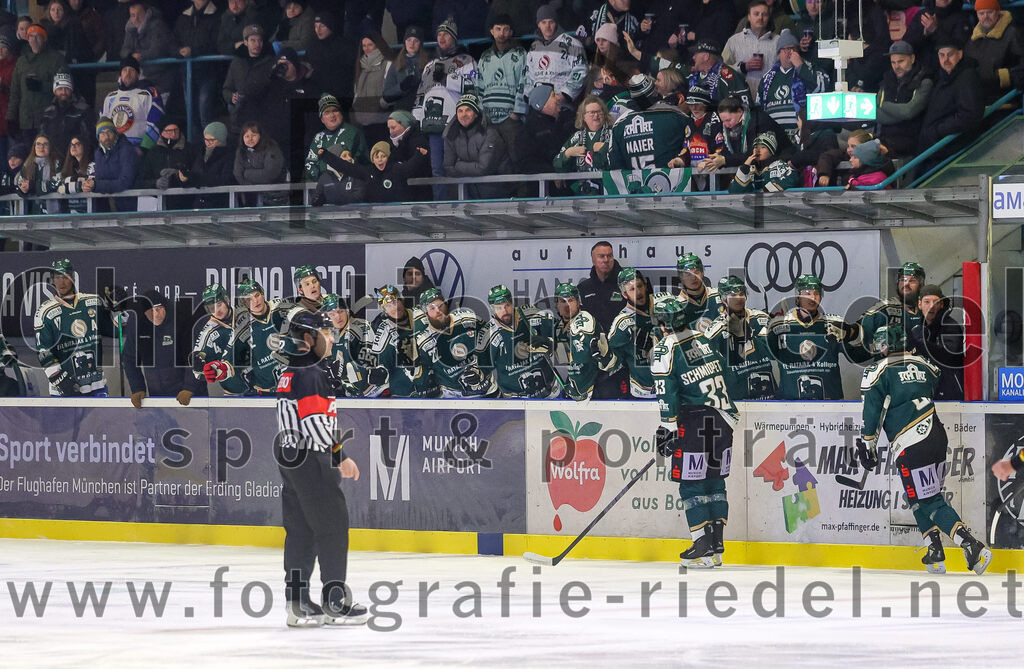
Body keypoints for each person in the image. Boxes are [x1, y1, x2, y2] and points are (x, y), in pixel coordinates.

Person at [858, 325, 990, 574]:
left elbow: (872, 412)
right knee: (918, 496)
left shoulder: (877, 371)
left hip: (911, 443)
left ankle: (971, 546)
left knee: (928, 500)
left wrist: (868, 445)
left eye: (880, 344)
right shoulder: (924, 364)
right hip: (936, 436)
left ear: (885, 344)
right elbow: (933, 377)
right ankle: (934, 548)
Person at [272, 307, 367, 628]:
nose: (331, 338)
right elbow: (316, 425)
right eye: (326, 333)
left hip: (290, 457)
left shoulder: (289, 371)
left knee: (300, 529)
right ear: (309, 338)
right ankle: (335, 601)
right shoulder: (312, 372)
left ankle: (296, 602)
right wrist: (341, 456)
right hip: (311, 458)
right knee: (332, 527)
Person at [651, 298, 737, 568]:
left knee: (691, 483)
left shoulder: (665, 348)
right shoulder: (703, 338)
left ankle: (701, 542)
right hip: (723, 419)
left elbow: (667, 392)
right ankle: (716, 544)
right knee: (714, 482)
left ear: (661, 322)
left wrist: (668, 427)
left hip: (695, 421)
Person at [34, 257, 124, 397]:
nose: (61, 282)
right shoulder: (45, 312)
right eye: (57, 277)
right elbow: (43, 351)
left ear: (73, 278)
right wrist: (60, 380)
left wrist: (119, 309)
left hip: (96, 386)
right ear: (52, 280)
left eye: (65, 277)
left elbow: (116, 329)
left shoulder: (93, 302)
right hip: (64, 389)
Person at [766, 273, 863, 400]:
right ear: (798, 296)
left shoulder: (833, 324)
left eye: (816, 293)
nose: (812, 298)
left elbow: (856, 355)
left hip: (831, 404)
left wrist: (856, 334)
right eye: (807, 293)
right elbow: (764, 353)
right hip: (789, 405)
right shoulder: (778, 325)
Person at [413, 18, 477, 198]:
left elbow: (472, 90)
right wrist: (417, 118)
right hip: (433, 125)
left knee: (456, 166)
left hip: (455, 124)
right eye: (439, 34)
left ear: (454, 38)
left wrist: (446, 79)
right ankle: (440, 206)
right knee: (437, 169)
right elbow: (421, 95)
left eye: (446, 34)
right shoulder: (429, 65)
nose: (441, 38)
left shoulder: (467, 61)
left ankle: (463, 203)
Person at [121, 289, 206, 408]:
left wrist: (189, 388)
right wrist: (137, 388)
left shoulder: (182, 323)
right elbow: (129, 359)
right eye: (151, 310)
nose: (155, 314)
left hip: (191, 399)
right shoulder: (139, 330)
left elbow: (195, 357)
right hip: (159, 400)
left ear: (165, 307)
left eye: (158, 309)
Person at [481, 284, 560, 398]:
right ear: (492, 309)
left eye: (507, 305)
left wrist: (550, 341)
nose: (504, 311)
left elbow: (561, 333)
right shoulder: (488, 334)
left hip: (550, 391)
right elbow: (483, 369)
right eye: (499, 308)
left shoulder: (532, 313)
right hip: (515, 398)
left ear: (512, 302)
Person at [704, 275, 777, 400]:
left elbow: (774, 353)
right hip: (737, 399)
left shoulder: (762, 318)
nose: (739, 299)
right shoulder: (714, 332)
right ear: (723, 299)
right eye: (733, 295)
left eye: (741, 293)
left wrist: (753, 337)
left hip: (768, 396)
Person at [415, 287, 495, 398]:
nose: (438, 311)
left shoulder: (469, 318)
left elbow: (494, 344)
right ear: (425, 313)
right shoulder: (423, 343)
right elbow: (423, 373)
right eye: (432, 308)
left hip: (487, 390)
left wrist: (481, 370)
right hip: (453, 398)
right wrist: (426, 384)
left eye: (440, 305)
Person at [609, 267, 671, 398]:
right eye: (632, 289)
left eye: (640, 286)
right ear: (624, 294)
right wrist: (603, 354)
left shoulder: (665, 301)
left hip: (673, 387)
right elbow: (610, 362)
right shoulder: (622, 323)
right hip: (644, 393)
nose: (638, 292)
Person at [366, 284, 437, 397]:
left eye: (395, 301)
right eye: (388, 306)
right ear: (384, 310)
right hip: (404, 392)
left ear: (401, 300)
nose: (394, 307)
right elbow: (380, 362)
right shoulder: (384, 330)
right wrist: (380, 372)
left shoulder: (421, 314)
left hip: (433, 384)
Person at [609, 73, 693, 169]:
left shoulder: (619, 123)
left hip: (633, 182)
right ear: (655, 92)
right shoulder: (675, 114)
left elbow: (614, 162)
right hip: (671, 181)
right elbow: (694, 143)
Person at [578, 241, 628, 398]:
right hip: (594, 361)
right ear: (593, 260)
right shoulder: (584, 288)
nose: (606, 260)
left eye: (609, 256)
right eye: (601, 256)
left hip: (623, 359)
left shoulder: (627, 284)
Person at [553, 282, 617, 401]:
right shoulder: (559, 328)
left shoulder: (584, 321)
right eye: (562, 301)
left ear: (578, 302)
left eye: (570, 300)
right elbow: (567, 361)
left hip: (598, 388)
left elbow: (581, 359)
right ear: (556, 305)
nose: (566, 305)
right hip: (578, 388)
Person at [443, 93, 513, 199]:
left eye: (468, 110)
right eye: (460, 111)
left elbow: (483, 168)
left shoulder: (490, 133)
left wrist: (458, 165)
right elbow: (448, 167)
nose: (464, 115)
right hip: (468, 194)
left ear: (476, 113)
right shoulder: (452, 134)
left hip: (497, 193)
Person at [756, 29, 823, 142]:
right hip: (774, 137)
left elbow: (819, 90)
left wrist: (800, 67)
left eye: (793, 48)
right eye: (785, 49)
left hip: (803, 133)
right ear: (779, 52)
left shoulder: (811, 69)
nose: (789, 52)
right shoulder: (767, 78)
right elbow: (759, 106)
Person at [697, 95, 791, 174]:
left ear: (740, 111)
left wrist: (725, 160)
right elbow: (729, 152)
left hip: (782, 166)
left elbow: (756, 155)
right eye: (723, 121)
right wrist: (713, 159)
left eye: (728, 120)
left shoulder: (759, 122)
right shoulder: (731, 124)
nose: (726, 125)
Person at [477, 14, 528, 159]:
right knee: (493, 159)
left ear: (511, 32)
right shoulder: (485, 57)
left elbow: (524, 82)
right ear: (491, 31)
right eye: (498, 29)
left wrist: (517, 112)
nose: (501, 33)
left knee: (516, 158)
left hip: (510, 118)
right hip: (489, 118)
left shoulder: (520, 54)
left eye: (506, 29)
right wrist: (482, 113)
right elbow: (479, 87)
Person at [918, 41, 984, 152]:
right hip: (935, 148)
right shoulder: (941, 78)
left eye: (950, 54)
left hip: (949, 149)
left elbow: (969, 115)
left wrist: (937, 131)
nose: (946, 60)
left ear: (960, 54)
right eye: (942, 55)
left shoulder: (967, 77)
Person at [8, 24, 66, 143]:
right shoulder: (21, 61)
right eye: (31, 36)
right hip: (26, 120)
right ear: (27, 39)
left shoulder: (56, 59)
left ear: (44, 39)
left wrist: (42, 86)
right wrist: (11, 117)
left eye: (38, 36)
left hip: (49, 119)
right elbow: (15, 92)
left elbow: (65, 88)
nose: (34, 40)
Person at [191, 282, 251, 396]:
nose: (217, 310)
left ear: (227, 300)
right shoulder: (208, 333)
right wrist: (200, 365)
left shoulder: (246, 313)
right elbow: (197, 372)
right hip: (234, 393)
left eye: (219, 304)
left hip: (259, 387)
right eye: (211, 308)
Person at [317, 140, 424, 203]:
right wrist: (326, 155)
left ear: (388, 157)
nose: (380, 159)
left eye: (383, 156)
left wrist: (419, 155)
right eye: (376, 157)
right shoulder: (367, 171)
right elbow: (345, 166)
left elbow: (411, 166)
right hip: (375, 215)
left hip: (398, 213)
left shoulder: (396, 169)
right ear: (373, 159)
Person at [876, 41, 933, 158]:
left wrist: (884, 105)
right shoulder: (886, 81)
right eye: (893, 62)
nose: (896, 66)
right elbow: (876, 114)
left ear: (912, 59)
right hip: (884, 139)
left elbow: (908, 112)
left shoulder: (924, 81)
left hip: (912, 143)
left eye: (901, 61)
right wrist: (900, 114)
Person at [907, 284, 964, 400]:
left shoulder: (950, 326)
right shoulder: (917, 330)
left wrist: (921, 343)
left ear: (941, 304)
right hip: (924, 394)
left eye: (936, 302)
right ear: (919, 304)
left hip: (950, 396)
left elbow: (949, 356)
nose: (931, 306)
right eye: (927, 302)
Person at [175, 0, 223, 137]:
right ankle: (196, 152)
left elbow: (216, 44)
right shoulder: (183, 17)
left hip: (207, 72)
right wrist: (178, 51)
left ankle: (211, 150)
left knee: (205, 115)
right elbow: (173, 40)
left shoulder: (216, 16)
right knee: (191, 116)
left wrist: (193, 51)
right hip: (187, 73)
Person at [524, 5, 587, 106]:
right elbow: (529, 75)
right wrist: (529, 95)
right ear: (538, 24)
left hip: (562, 106)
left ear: (556, 23)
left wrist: (564, 95)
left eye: (551, 22)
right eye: (544, 22)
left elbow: (580, 71)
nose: (547, 26)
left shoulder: (572, 44)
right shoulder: (534, 48)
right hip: (539, 106)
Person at [234, 278, 289, 394]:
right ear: (245, 304)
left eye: (257, 295)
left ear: (263, 294)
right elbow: (234, 357)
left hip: (291, 384)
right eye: (249, 299)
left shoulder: (281, 306)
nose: (255, 301)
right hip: (264, 390)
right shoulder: (242, 326)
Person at [964, 0, 1023, 104]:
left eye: (990, 12)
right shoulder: (973, 39)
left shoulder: (1013, 34)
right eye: (981, 13)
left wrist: (1000, 76)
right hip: (978, 100)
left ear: (998, 12)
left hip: (1005, 101)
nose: (985, 16)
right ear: (977, 15)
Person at [99, 55, 163, 150]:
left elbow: (156, 121)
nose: (127, 73)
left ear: (138, 74)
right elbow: (102, 127)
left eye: (132, 70)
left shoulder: (147, 94)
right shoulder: (110, 97)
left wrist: (144, 149)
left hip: (137, 150)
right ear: (120, 75)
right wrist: (105, 149)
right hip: (114, 150)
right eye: (124, 70)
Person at [221, 23, 273, 136]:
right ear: (245, 42)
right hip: (240, 118)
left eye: (260, 40)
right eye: (253, 40)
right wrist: (231, 97)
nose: (257, 44)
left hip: (263, 117)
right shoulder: (237, 62)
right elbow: (226, 89)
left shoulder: (270, 62)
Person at [553, 95, 612, 194]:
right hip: (583, 193)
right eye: (592, 113)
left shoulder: (613, 134)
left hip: (609, 191)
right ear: (583, 116)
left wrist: (607, 148)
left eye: (599, 112)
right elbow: (557, 164)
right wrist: (567, 153)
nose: (596, 116)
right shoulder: (577, 137)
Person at [860, 261, 927, 348]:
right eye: (903, 279)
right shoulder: (883, 310)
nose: (906, 284)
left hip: (921, 361)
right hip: (892, 361)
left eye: (912, 280)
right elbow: (858, 344)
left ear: (921, 285)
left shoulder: (927, 310)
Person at [119, 1, 175, 105]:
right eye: (132, 15)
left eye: (138, 15)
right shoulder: (130, 28)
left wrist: (141, 56)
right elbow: (124, 50)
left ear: (146, 13)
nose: (135, 19)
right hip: (140, 81)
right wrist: (131, 56)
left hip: (160, 80)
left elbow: (158, 50)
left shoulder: (158, 25)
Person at [319, 292, 374, 397]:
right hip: (342, 394)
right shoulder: (330, 334)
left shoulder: (360, 326)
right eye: (332, 314)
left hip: (367, 391)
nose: (338, 317)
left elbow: (371, 360)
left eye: (341, 311)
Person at [305, 94, 369, 181]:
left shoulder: (352, 132)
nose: (332, 115)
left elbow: (345, 164)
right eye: (327, 112)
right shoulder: (318, 137)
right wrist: (323, 178)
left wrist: (323, 168)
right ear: (322, 119)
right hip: (324, 185)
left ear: (341, 114)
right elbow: (310, 165)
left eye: (335, 110)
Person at [517, 83, 576, 175]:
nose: (557, 98)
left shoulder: (568, 121)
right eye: (553, 95)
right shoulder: (528, 130)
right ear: (543, 104)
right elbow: (526, 162)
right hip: (544, 186)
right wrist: (552, 173)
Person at [723, 0, 779, 95]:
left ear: (769, 18)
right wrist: (743, 67)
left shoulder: (778, 41)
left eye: (764, 14)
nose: (760, 18)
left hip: (771, 96)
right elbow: (722, 69)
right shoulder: (734, 41)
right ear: (749, 17)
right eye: (756, 14)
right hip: (741, 97)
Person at [174, 121, 234, 209]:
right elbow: (194, 177)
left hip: (220, 205)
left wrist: (197, 179)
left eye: (212, 140)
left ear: (221, 139)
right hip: (199, 204)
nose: (208, 143)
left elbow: (225, 180)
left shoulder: (229, 156)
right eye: (206, 139)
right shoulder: (200, 154)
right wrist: (184, 179)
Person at [87, 115, 140, 209]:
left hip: (129, 206)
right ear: (98, 137)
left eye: (109, 132)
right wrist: (89, 185)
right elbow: (100, 180)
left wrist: (96, 185)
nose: (106, 137)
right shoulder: (98, 153)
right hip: (108, 206)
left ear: (115, 134)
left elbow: (125, 182)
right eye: (102, 133)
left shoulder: (127, 150)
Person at [39, 69, 91, 157]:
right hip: (54, 159)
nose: (63, 92)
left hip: (76, 158)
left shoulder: (83, 110)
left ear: (71, 90)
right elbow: (42, 137)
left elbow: (88, 138)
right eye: (60, 89)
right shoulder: (48, 112)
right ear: (54, 91)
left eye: (67, 88)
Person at [727, 130, 800, 192]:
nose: (758, 150)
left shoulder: (779, 165)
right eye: (755, 147)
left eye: (763, 147)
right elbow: (734, 191)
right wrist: (744, 168)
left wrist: (766, 192)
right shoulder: (748, 169)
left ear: (771, 151)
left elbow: (792, 179)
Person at [233, 120, 284, 206]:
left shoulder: (271, 148)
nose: (250, 139)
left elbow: (270, 174)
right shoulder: (241, 152)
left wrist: (247, 174)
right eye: (247, 136)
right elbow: (238, 173)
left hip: (273, 196)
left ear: (260, 136)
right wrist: (250, 187)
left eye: (254, 135)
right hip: (249, 196)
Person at [687, 41, 750, 109]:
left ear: (706, 56)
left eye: (696, 54)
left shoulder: (729, 77)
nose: (693, 57)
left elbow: (746, 108)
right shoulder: (693, 77)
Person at [307, 10, 354, 101]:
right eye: (316, 26)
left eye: (322, 26)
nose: (318, 30)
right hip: (317, 93)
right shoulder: (312, 46)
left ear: (331, 27)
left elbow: (350, 72)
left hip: (340, 94)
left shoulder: (344, 45)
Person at [139, 117, 195, 189]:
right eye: (169, 131)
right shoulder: (153, 152)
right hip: (160, 198)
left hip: (184, 198)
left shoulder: (189, 149)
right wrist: (155, 183)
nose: (173, 134)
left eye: (176, 130)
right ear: (162, 132)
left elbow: (197, 175)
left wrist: (180, 174)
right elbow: (142, 180)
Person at [382, 25, 427, 112]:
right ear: (404, 42)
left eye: (416, 40)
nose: (411, 44)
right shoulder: (396, 64)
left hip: (421, 109)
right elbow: (386, 94)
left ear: (420, 43)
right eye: (409, 40)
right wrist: (401, 87)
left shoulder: (428, 63)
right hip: (401, 111)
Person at [675, 252, 720, 333]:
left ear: (702, 273)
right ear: (681, 278)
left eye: (696, 272)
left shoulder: (719, 295)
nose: (693, 278)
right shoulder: (677, 306)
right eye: (688, 274)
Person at [17, 133, 60, 211]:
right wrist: (23, 189)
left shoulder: (58, 163)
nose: (41, 147)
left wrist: (33, 186)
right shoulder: (27, 165)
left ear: (50, 147)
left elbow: (59, 183)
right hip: (33, 212)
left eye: (45, 144)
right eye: (38, 144)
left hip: (54, 213)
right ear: (34, 147)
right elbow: (19, 184)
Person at [54, 133, 92, 212]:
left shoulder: (92, 165)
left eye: (77, 144)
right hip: (71, 212)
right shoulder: (69, 167)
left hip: (88, 210)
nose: (73, 147)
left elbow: (89, 185)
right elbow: (58, 184)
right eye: (71, 144)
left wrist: (67, 187)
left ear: (84, 146)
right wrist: (75, 180)